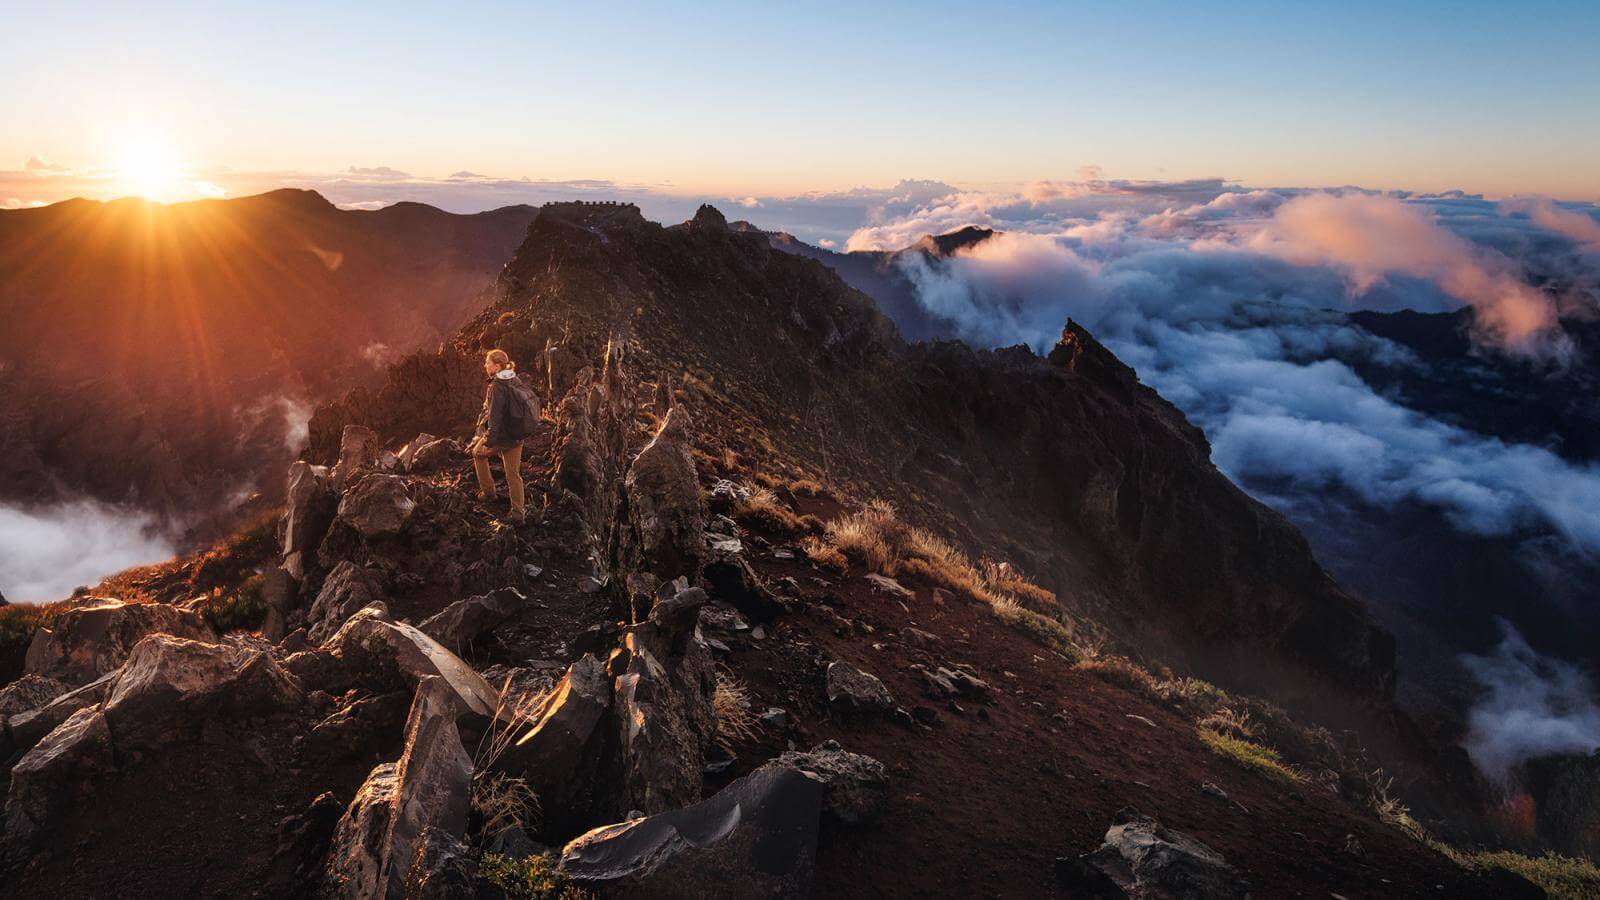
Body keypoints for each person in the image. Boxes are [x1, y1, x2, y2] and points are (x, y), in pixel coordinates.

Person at [470, 349, 539, 523]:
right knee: (513, 474)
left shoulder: (496, 386)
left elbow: (495, 417)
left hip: (503, 437)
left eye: (488, 362)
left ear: (497, 365)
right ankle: (518, 513)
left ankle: (489, 493)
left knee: (478, 454)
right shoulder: (513, 378)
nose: (485, 365)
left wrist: (489, 442)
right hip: (517, 435)